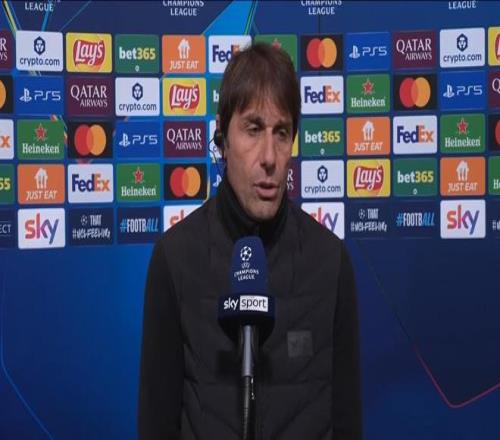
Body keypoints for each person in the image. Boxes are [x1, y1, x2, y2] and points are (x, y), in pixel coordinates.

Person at [138, 42, 362, 439]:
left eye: (282, 132)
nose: (269, 156)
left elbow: (347, 423)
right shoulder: (175, 259)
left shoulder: (330, 262)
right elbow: (156, 425)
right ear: (223, 137)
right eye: (253, 129)